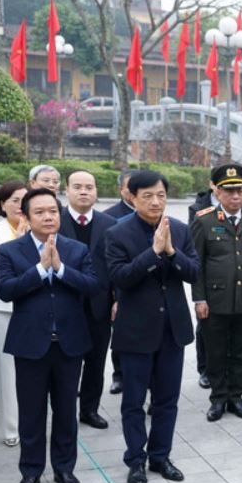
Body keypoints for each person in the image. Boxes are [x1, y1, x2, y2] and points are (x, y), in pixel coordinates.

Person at [0, 187, 101, 483]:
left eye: (53, 211)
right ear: (26, 217)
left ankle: (64, 469)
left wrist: (61, 269)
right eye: (39, 212)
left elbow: (93, 285)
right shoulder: (10, 251)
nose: (48, 216)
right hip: (30, 344)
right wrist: (41, 269)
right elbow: (6, 290)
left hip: (69, 343)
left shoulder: (76, 250)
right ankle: (30, 472)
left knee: (66, 409)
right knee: (31, 412)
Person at [106, 170, 199, 483]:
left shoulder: (181, 230)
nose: (156, 201)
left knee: (167, 399)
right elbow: (120, 278)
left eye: (161, 195)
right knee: (133, 400)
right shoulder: (117, 233)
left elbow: (194, 272)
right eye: (147, 196)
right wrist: (153, 252)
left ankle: (160, 456)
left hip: (172, 329)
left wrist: (172, 252)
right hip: (135, 330)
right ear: (132, 197)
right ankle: (136, 460)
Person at [191, 164, 242, 422]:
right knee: (215, 352)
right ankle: (218, 398)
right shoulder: (204, 220)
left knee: (241, 352)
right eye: (230, 191)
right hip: (215, 301)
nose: (236, 196)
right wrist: (199, 298)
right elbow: (196, 265)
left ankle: (236, 397)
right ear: (218, 192)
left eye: (240, 191)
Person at [58, 170, 117, 430]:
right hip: (63, 304)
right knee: (65, 363)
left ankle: (89, 410)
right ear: (66, 190)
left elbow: (116, 265)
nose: (84, 191)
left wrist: (118, 299)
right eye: (78, 187)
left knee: (96, 362)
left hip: (99, 306)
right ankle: (63, 411)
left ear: (96, 192)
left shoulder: (109, 224)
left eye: (89, 187)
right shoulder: (54, 221)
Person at [0, 181, 28, 447]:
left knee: (34, 370)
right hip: (1, 307)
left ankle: (33, 422)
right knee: (6, 371)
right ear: (2, 204)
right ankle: (11, 428)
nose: (20, 206)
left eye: (25, 200)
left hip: (34, 306)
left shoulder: (42, 229)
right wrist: (19, 242)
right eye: (14, 200)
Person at [103, 170, 135, 396]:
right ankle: (119, 375)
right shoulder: (110, 217)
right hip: (120, 285)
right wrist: (115, 296)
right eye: (129, 187)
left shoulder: (157, 216)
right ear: (121, 190)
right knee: (120, 335)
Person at [187, 181, 216, 390]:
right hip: (207, 276)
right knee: (205, 327)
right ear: (213, 185)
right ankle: (205, 369)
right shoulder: (197, 209)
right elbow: (194, 247)